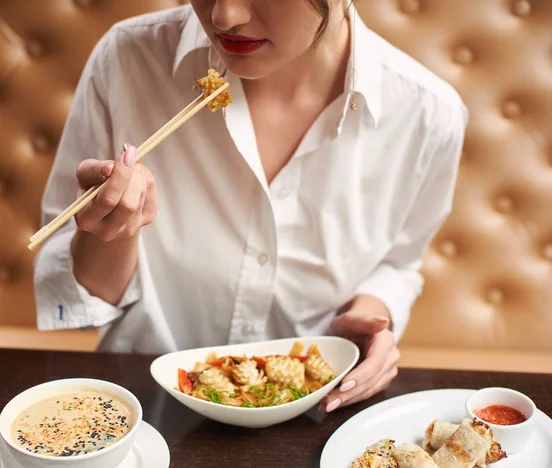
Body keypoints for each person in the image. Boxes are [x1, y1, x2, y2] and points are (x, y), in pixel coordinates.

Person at [35, 0, 467, 413]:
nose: (225, 16)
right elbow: (85, 305)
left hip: (313, 406)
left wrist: (371, 320)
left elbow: (398, 265)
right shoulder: (129, 59)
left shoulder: (428, 115)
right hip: (143, 400)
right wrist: (111, 228)